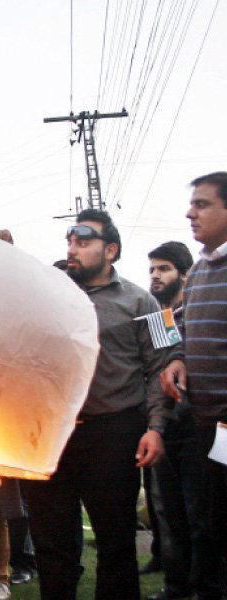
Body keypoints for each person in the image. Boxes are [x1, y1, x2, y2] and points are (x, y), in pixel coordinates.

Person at [20, 209, 168, 600]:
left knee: (116, 541)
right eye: (70, 241)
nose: (73, 249)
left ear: (111, 250)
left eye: (84, 242)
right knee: (51, 541)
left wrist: (156, 428)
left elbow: (164, 363)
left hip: (113, 433)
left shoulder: (144, 301)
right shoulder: (48, 297)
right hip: (50, 435)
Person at [161, 172, 227, 598]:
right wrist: (177, 357)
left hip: (225, 423)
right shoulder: (202, 268)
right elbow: (181, 329)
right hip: (206, 424)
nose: (190, 212)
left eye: (202, 204)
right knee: (210, 520)